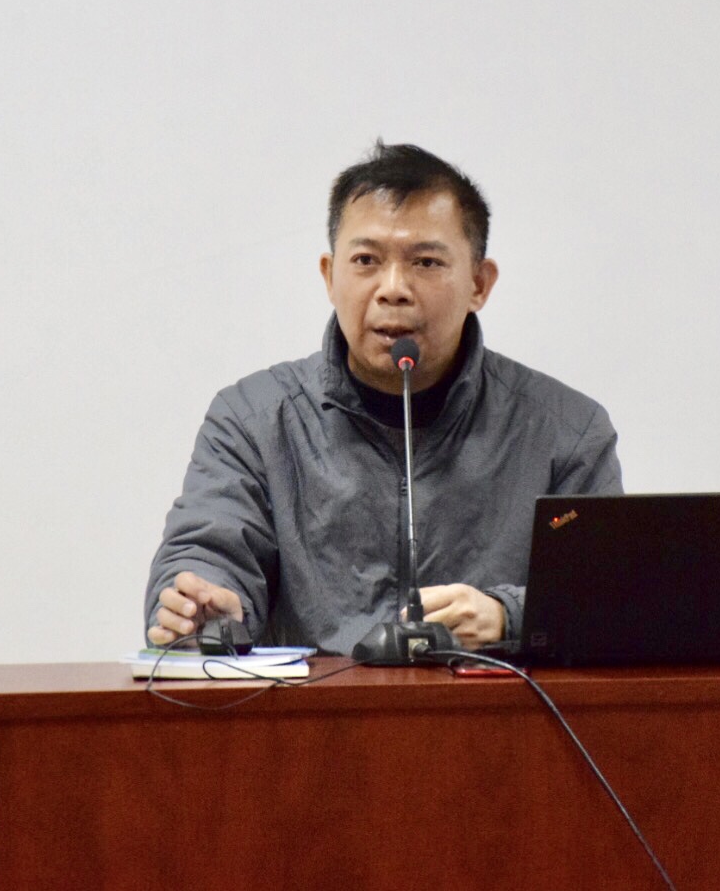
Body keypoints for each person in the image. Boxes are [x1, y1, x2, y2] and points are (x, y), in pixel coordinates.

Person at [144, 142, 621, 654]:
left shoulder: (566, 433)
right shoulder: (254, 421)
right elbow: (208, 551)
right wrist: (203, 607)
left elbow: (609, 598)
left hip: (492, 705)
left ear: (479, 284)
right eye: (366, 260)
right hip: (315, 706)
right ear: (329, 277)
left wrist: (509, 616)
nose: (393, 288)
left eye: (426, 262)